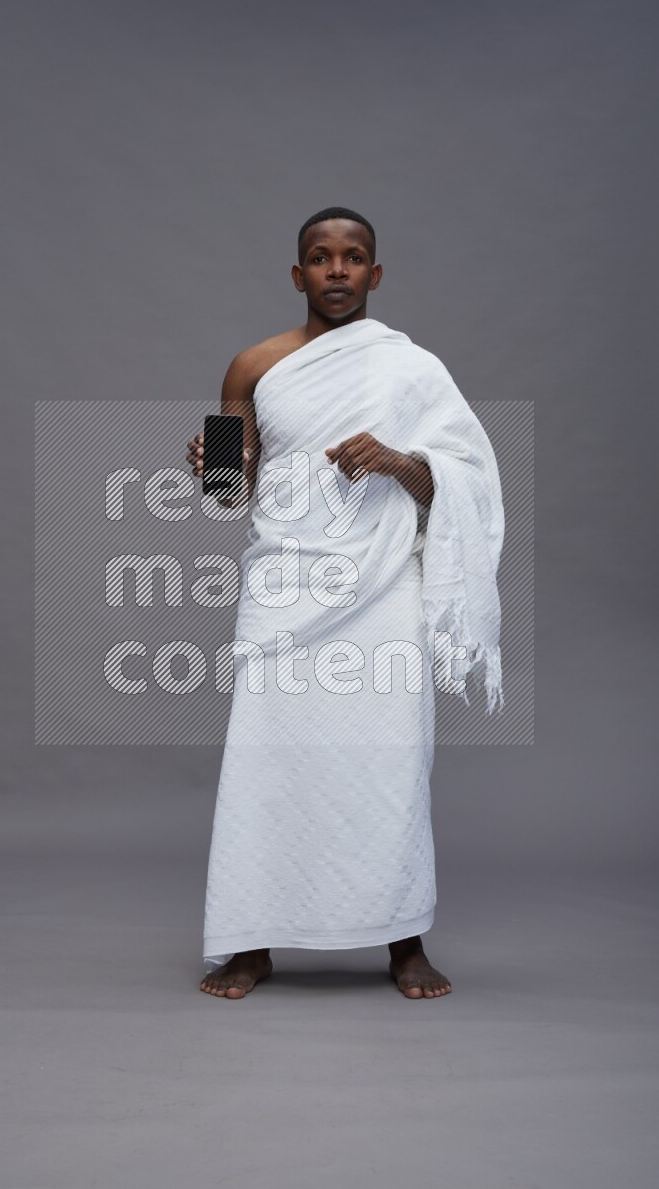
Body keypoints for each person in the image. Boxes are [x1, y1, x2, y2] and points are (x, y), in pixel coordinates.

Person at [186, 206, 503, 999]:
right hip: (286, 589)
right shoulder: (251, 367)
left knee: (390, 760)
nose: (337, 270)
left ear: (375, 273)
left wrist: (401, 461)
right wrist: (206, 464)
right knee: (268, 761)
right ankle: (252, 944)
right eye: (321, 258)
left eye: (353, 257)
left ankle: (403, 940)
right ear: (297, 274)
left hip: (383, 587)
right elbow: (231, 493)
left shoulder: (411, 369)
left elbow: (460, 479)